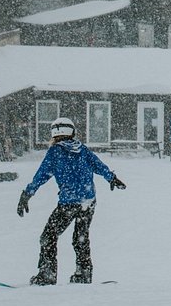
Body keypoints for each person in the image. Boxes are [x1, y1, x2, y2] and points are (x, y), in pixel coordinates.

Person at [16, 117, 126, 285]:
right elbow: (98, 165)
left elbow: (41, 175)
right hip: (88, 201)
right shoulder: (82, 149)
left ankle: (47, 275)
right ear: (72, 132)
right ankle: (83, 274)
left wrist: (27, 194)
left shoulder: (55, 152)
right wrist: (112, 178)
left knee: (48, 236)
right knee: (80, 237)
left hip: (69, 202)